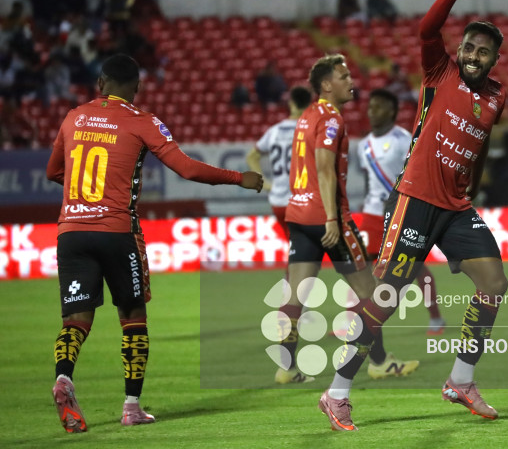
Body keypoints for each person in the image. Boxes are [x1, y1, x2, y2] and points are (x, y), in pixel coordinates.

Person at [318, 0, 508, 431]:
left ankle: (461, 380)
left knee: (494, 283)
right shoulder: (439, 72)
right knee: (387, 295)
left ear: (494, 60)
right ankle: (336, 391)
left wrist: (475, 185)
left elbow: (479, 146)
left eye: (482, 52)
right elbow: (427, 30)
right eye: (468, 47)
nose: (472, 55)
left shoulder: (496, 97)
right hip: (416, 202)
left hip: (457, 208)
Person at [45, 54, 263, 434]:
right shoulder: (142, 121)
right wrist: (237, 177)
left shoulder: (73, 117)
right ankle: (131, 406)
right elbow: (186, 168)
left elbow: (53, 172)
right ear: (137, 87)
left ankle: (64, 378)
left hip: (71, 232)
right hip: (116, 232)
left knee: (75, 320)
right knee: (133, 319)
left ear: (100, 84)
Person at [277, 54, 418, 385]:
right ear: (327, 85)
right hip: (328, 218)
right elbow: (325, 168)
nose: (351, 82)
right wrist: (331, 219)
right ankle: (379, 361)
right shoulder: (331, 118)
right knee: (371, 294)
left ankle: (287, 367)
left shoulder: (307, 116)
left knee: (295, 297)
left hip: (297, 213)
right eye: (343, 76)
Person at [357, 88, 444, 335]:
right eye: (370, 107)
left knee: (413, 267)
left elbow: (423, 173)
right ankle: (353, 320)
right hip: (373, 213)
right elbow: (368, 182)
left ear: (392, 111)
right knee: (362, 268)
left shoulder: (405, 140)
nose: (372, 112)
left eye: (379, 107)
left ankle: (436, 318)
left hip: (402, 211)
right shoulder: (363, 145)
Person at [246, 85, 313, 238]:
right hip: (302, 201)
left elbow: (252, 157)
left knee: (295, 247)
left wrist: (265, 183)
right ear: (309, 105)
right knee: (309, 251)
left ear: (291, 103)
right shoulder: (311, 130)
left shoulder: (274, 131)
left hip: (278, 202)